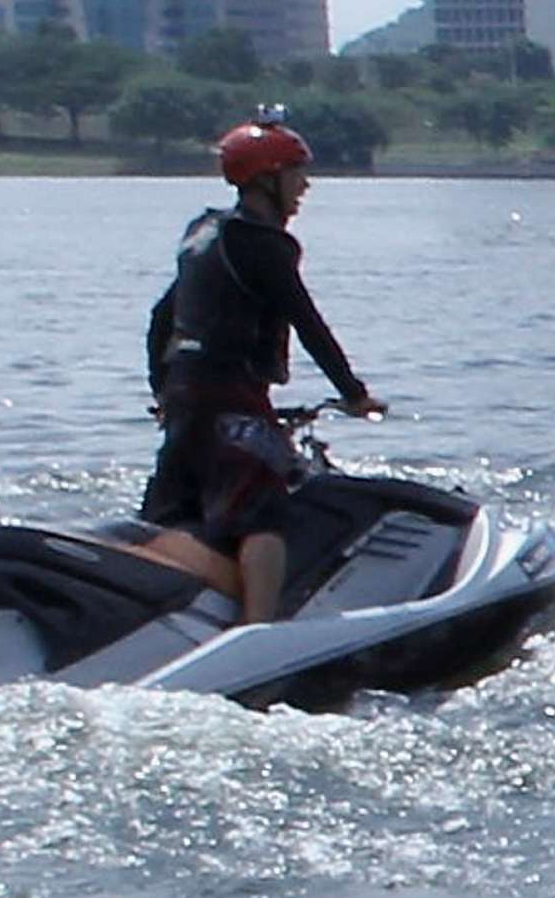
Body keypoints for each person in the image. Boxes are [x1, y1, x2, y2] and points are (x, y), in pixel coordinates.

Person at [125, 114, 386, 624]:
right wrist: (353, 393)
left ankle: (173, 615)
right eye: (295, 173)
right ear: (266, 178)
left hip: (186, 396)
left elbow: (163, 319)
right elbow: (306, 321)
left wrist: (163, 390)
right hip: (231, 395)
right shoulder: (263, 244)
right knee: (262, 513)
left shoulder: (204, 235)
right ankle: (259, 630)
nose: (304, 186)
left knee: (173, 514)